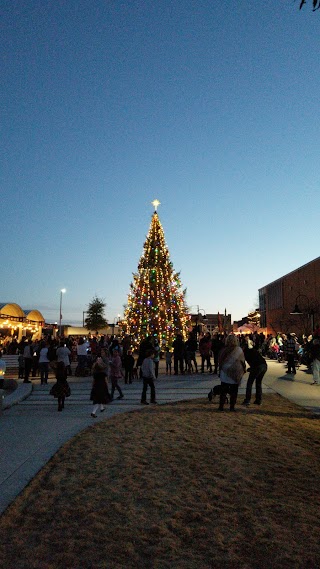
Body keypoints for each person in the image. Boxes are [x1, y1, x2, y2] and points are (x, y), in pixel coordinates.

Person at [218, 335, 246, 412]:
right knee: (234, 391)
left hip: (225, 372)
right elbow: (242, 361)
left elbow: (220, 361)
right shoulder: (239, 350)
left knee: (223, 391)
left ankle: (221, 406)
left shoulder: (223, 350)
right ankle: (232, 407)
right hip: (236, 372)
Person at [242, 342, 268, 406]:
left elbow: (244, 363)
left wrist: (246, 369)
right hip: (264, 365)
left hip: (257, 367)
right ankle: (258, 400)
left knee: (249, 383)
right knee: (258, 383)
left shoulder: (245, 353)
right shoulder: (252, 350)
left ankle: (247, 400)